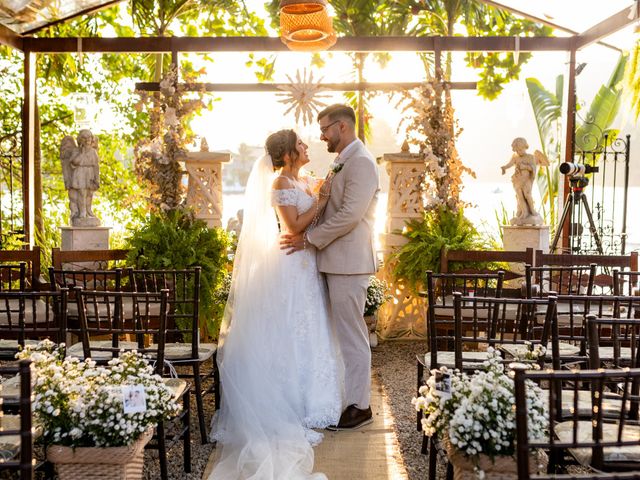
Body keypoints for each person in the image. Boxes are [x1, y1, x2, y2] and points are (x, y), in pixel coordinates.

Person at [209, 129, 344, 480]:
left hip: (305, 265)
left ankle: (313, 398)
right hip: (288, 264)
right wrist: (322, 197)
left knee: (310, 326)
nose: (306, 147)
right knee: (288, 328)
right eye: (300, 144)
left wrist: (317, 191)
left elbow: (307, 217)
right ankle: (288, 402)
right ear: (287, 154)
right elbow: (293, 225)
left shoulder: (299, 181)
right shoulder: (279, 184)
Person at [282, 104, 380, 431]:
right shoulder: (343, 160)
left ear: (341, 127)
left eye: (324, 129)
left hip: (349, 264)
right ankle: (344, 396)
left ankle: (360, 407)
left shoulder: (362, 163)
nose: (321, 135)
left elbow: (350, 215)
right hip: (334, 261)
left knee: (352, 336)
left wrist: (309, 239)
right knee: (340, 334)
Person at [501, 137, 545, 226]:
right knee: (519, 195)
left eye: (520, 150)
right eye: (516, 150)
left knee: (527, 194)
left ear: (525, 147)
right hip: (518, 179)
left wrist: (525, 167)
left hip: (527, 180)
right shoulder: (515, 157)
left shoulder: (530, 157)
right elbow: (510, 164)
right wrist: (504, 167)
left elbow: (533, 168)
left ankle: (532, 210)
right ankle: (524, 212)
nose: (518, 152)